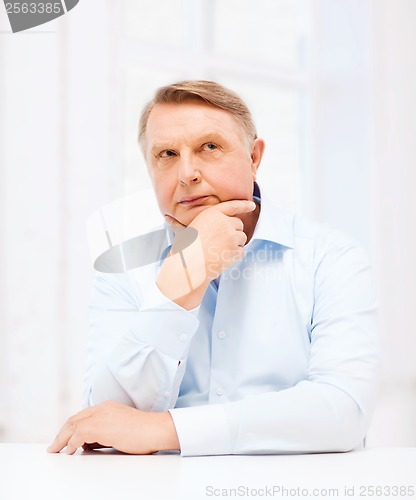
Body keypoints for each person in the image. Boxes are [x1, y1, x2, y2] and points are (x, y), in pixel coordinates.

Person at [48, 80, 380, 456]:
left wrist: (166, 431)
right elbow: (104, 421)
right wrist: (182, 279)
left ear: (254, 158)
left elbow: (343, 412)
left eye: (210, 147)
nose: (187, 173)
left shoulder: (331, 259)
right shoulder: (123, 269)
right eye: (167, 154)